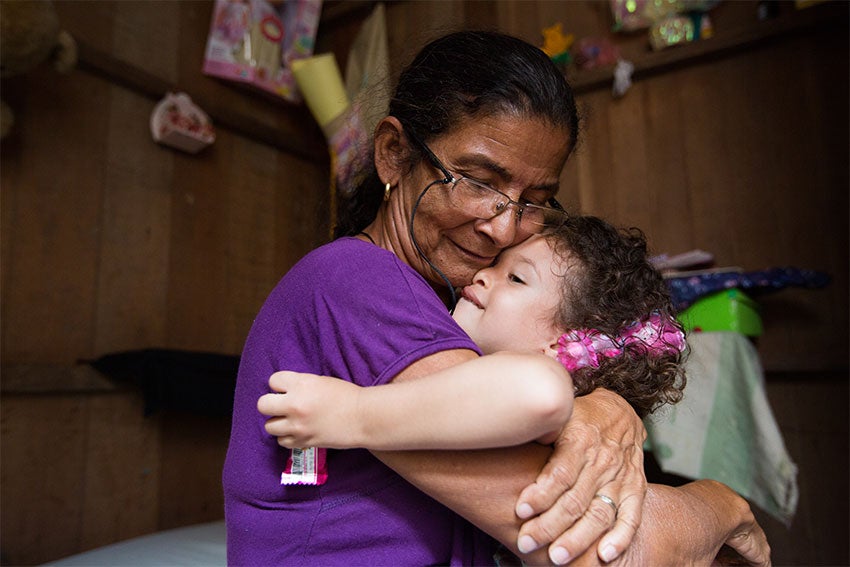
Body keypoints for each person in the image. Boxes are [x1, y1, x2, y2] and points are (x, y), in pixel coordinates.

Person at [224, 30, 770, 566]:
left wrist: (607, 405)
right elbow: (616, 555)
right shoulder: (359, 283)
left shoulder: (451, 308)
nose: (504, 228)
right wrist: (723, 505)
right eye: (479, 181)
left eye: (535, 199)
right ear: (394, 154)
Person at [261, 215, 689, 455]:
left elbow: (541, 391)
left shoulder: (546, 410)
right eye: (496, 265)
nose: (484, 275)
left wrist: (353, 414)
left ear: (563, 347)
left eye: (517, 279)